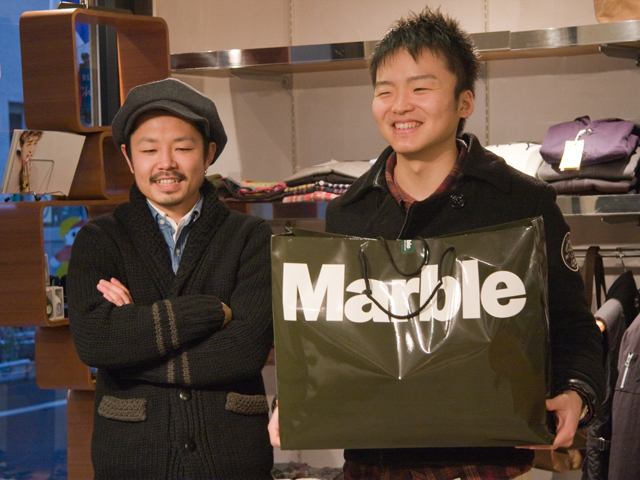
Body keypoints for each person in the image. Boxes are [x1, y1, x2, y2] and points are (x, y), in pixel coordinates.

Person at [269, 7, 605, 479]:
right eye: (385, 91)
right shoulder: (350, 211)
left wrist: (576, 392)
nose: (399, 105)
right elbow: (327, 342)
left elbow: (573, 325)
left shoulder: (522, 203)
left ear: (465, 102)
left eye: (420, 89)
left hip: (483, 464)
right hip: (373, 464)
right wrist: (292, 399)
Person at [68, 78, 274, 480]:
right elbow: (95, 340)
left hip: (232, 459)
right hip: (131, 460)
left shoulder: (251, 237)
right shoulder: (99, 239)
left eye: (182, 148)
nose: (166, 163)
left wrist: (133, 340)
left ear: (208, 153)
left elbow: (246, 348)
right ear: (129, 158)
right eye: (149, 150)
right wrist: (209, 312)